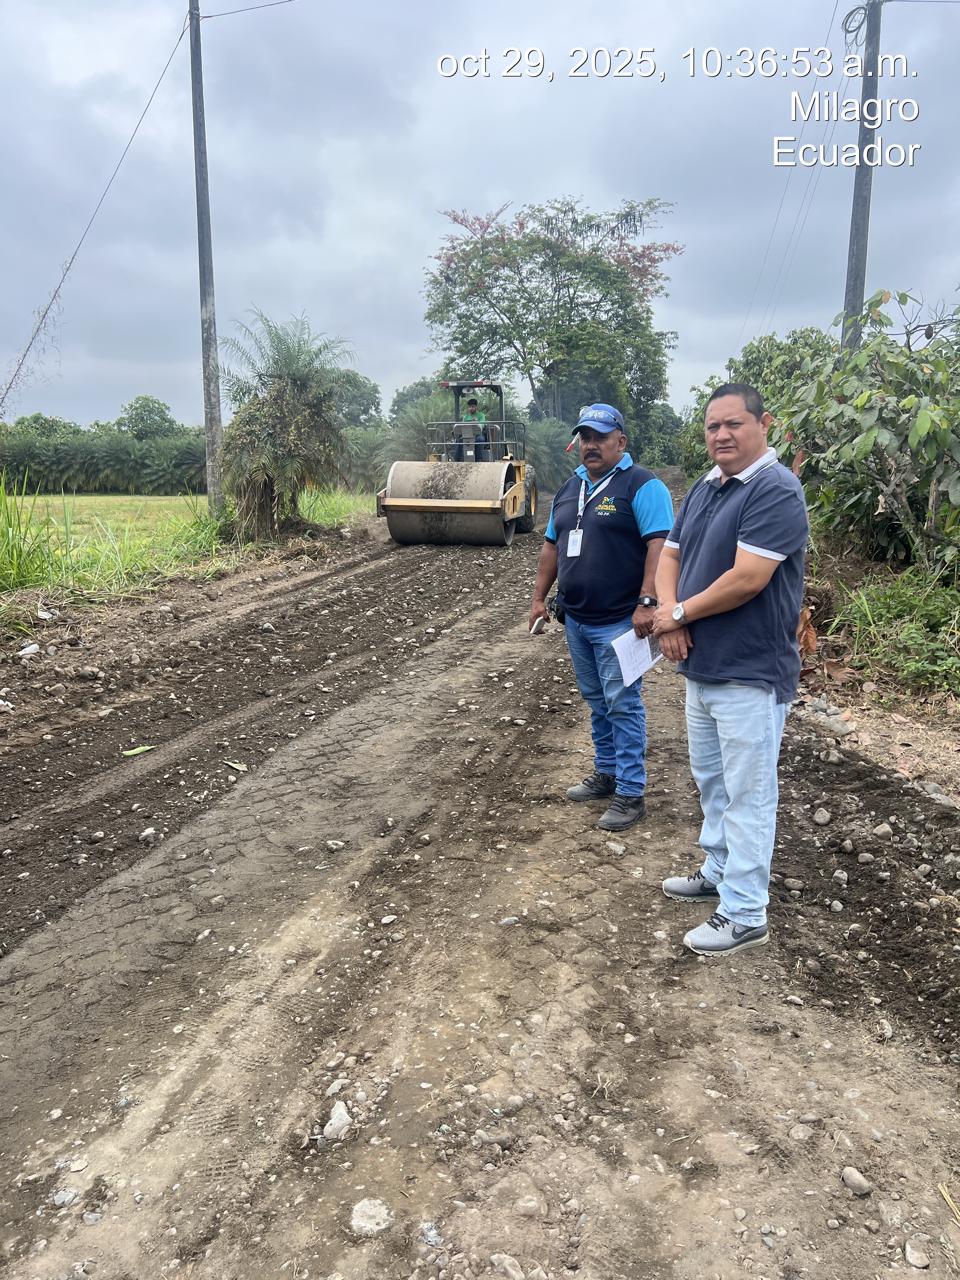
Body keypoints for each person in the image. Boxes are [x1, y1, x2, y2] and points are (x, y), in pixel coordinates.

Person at [652, 383, 809, 956]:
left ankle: (744, 912)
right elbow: (670, 555)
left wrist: (678, 614)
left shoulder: (775, 489)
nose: (721, 435)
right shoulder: (706, 486)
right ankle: (718, 870)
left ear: (763, 424)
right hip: (703, 666)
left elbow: (748, 579)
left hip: (750, 671)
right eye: (712, 426)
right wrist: (671, 614)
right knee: (712, 782)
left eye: (733, 424)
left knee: (749, 795)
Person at [529, 403, 674, 832]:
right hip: (577, 619)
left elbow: (660, 546)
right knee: (597, 700)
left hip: (620, 621)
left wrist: (648, 600)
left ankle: (631, 792)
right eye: (585, 438)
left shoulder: (642, 485)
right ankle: (607, 772)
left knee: (623, 704)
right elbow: (551, 546)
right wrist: (539, 598)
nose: (590, 445)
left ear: (620, 442)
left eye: (600, 438)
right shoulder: (570, 487)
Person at [455, 397, 488, 462]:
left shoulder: (481, 415)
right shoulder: (465, 417)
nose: (471, 408)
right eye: (469, 407)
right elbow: (462, 426)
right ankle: (457, 459)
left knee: (480, 440)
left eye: (472, 406)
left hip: (478, 434)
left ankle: (479, 459)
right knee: (460, 440)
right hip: (467, 435)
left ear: (476, 407)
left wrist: (477, 423)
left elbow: (482, 424)